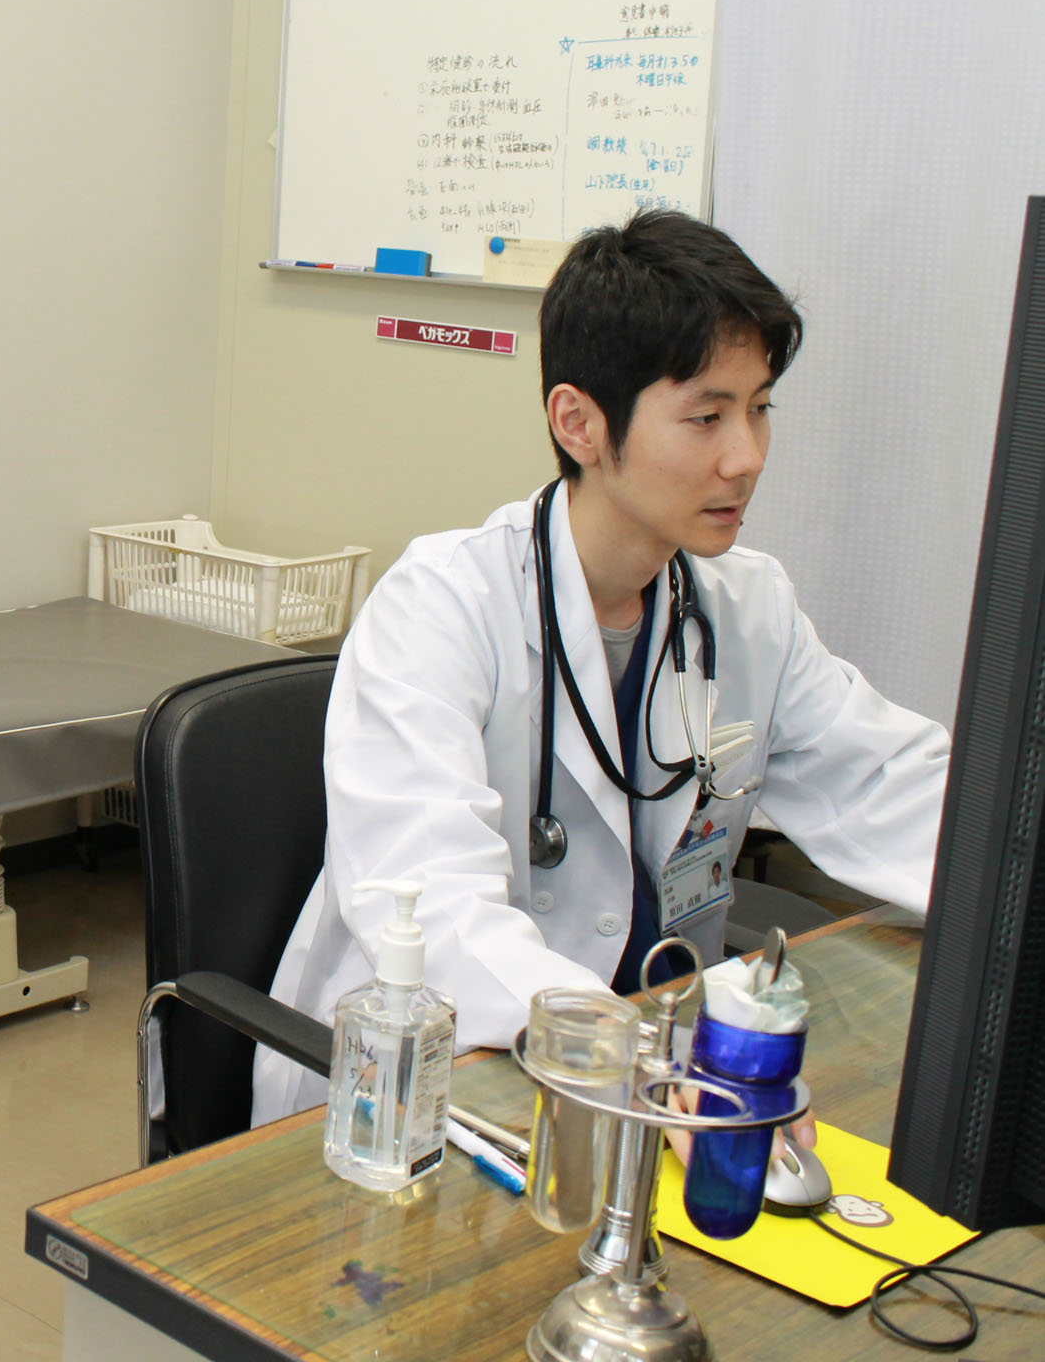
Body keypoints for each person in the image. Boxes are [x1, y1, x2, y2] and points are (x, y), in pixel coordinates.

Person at [251, 209, 948, 1125]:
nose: (746, 457)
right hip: (433, 1091)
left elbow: (894, 787)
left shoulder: (747, 609)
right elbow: (433, 916)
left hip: (645, 1073)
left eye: (760, 408)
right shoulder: (441, 607)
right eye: (707, 417)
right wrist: (637, 1059)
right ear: (578, 423)